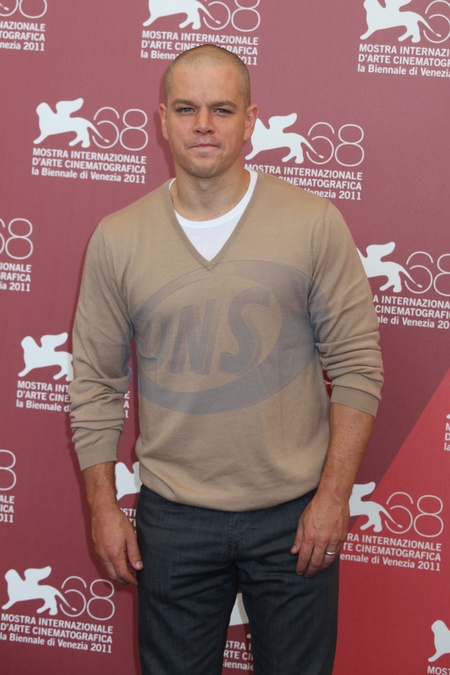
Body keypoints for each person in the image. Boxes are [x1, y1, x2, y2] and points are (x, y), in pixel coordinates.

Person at [69, 44, 383, 675]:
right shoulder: (118, 237)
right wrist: (103, 508)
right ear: (162, 120)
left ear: (251, 120)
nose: (204, 125)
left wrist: (332, 496)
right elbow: (96, 384)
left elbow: (357, 366)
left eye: (222, 109)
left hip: (296, 517)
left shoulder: (313, 223)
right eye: (186, 109)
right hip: (174, 521)